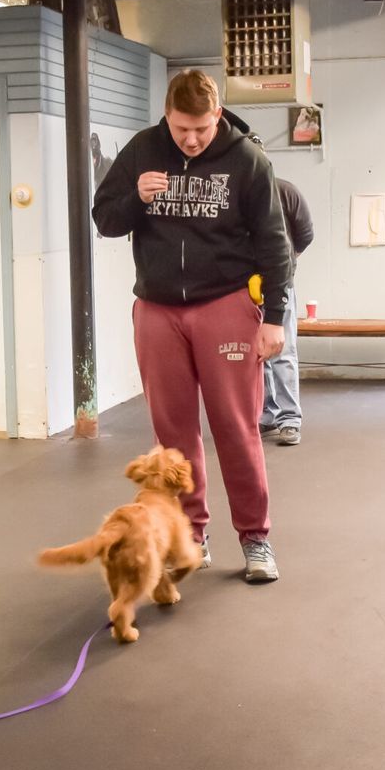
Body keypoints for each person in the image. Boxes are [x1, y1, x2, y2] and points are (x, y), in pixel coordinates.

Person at [92, 69, 293, 583]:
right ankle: (190, 536)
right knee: (173, 437)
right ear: (167, 115)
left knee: (236, 427)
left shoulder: (247, 158)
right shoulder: (142, 149)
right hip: (157, 310)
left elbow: (275, 244)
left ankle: (256, 539)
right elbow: (106, 220)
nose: (191, 138)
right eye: (182, 128)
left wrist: (273, 318)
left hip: (224, 303)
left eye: (201, 128)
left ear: (217, 115)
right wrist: (136, 196)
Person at [259, 178, 314, 447]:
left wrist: (287, 261)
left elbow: (305, 235)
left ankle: (289, 419)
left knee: (283, 351)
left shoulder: (285, 191)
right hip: (243, 287)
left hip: (279, 284)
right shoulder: (233, 191)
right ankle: (267, 415)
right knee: (258, 354)